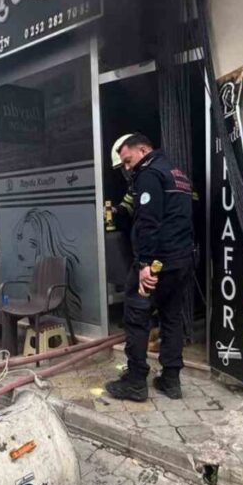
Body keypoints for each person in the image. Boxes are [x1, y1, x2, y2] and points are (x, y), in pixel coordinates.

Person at [104, 133, 195, 401]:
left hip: (156, 263)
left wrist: (144, 264)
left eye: (128, 160)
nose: (128, 167)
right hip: (182, 260)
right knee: (171, 318)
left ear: (143, 150)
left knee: (136, 317)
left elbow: (148, 222)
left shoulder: (149, 174)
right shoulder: (178, 174)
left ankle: (135, 382)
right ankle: (171, 380)